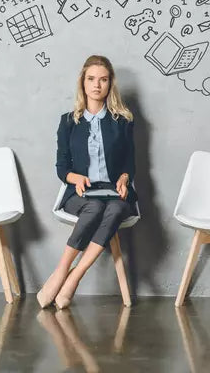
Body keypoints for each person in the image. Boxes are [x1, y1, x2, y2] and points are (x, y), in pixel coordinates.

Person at [37, 55, 137, 309]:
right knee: (94, 208)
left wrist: (125, 177)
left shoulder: (122, 121)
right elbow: (62, 167)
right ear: (83, 82)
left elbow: (130, 163)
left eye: (103, 80)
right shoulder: (69, 122)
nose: (97, 85)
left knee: (113, 208)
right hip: (81, 194)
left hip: (114, 193)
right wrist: (75, 177)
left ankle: (75, 276)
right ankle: (61, 272)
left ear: (110, 84)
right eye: (91, 79)